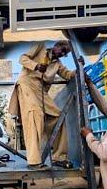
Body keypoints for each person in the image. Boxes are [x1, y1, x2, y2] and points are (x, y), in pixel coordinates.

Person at [8, 40, 75, 168]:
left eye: (65, 53)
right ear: (56, 45)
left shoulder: (58, 64)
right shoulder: (40, 46)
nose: (62, 53)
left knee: (58, 117)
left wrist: (79, 70)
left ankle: (58, 157)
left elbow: (67, 75)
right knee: (35, 116)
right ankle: (34, 161)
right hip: (27, 84)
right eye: (62, 49)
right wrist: (36, 66)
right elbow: (22, 58)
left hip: (40, 91)